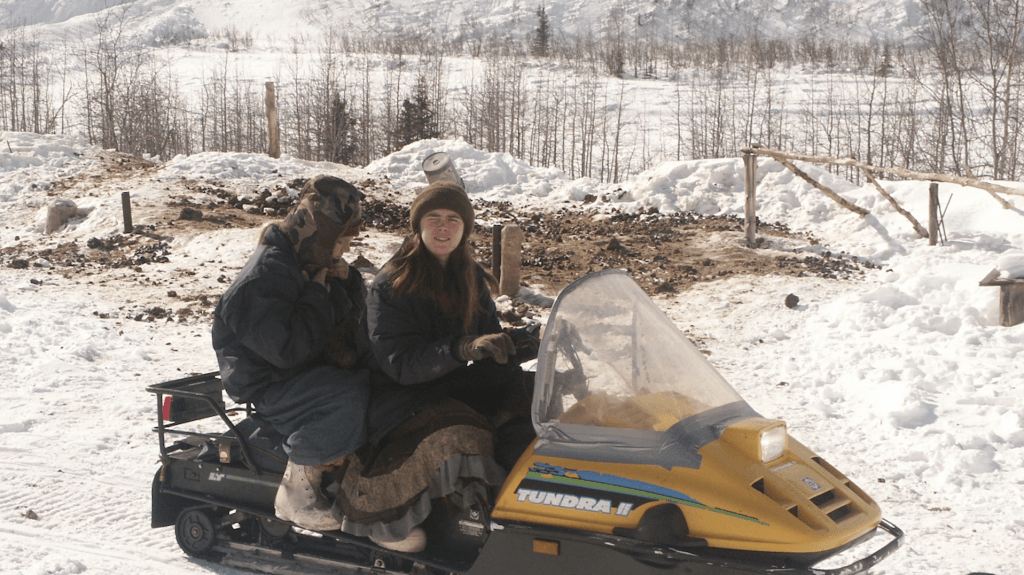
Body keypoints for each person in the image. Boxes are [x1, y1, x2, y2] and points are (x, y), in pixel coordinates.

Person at [333, 180, 537, 553]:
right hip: (400, 399)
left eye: (453, 219)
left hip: (456, 384)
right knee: (463, 433)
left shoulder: (471, 276)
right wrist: (462, 349)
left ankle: (541, 509)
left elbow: (487, 344)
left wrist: (519, 346)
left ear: (465, 227)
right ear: (418, 225)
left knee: (538, 396)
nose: (443, 227)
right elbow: (400, 364)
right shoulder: (391, 284)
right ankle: (444, 523)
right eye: (434, 218)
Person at [211, 175, 370, 532]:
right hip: (269, 383)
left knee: (374, 381)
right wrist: (317, 292)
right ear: (321, 233)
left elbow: (348, 321)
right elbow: (287, 351)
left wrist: (347, 281)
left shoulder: (303, 261)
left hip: (300, 373)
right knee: (347, 398)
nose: (344, 249)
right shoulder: (264, 276)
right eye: (341, 240)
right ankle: (299, 489)